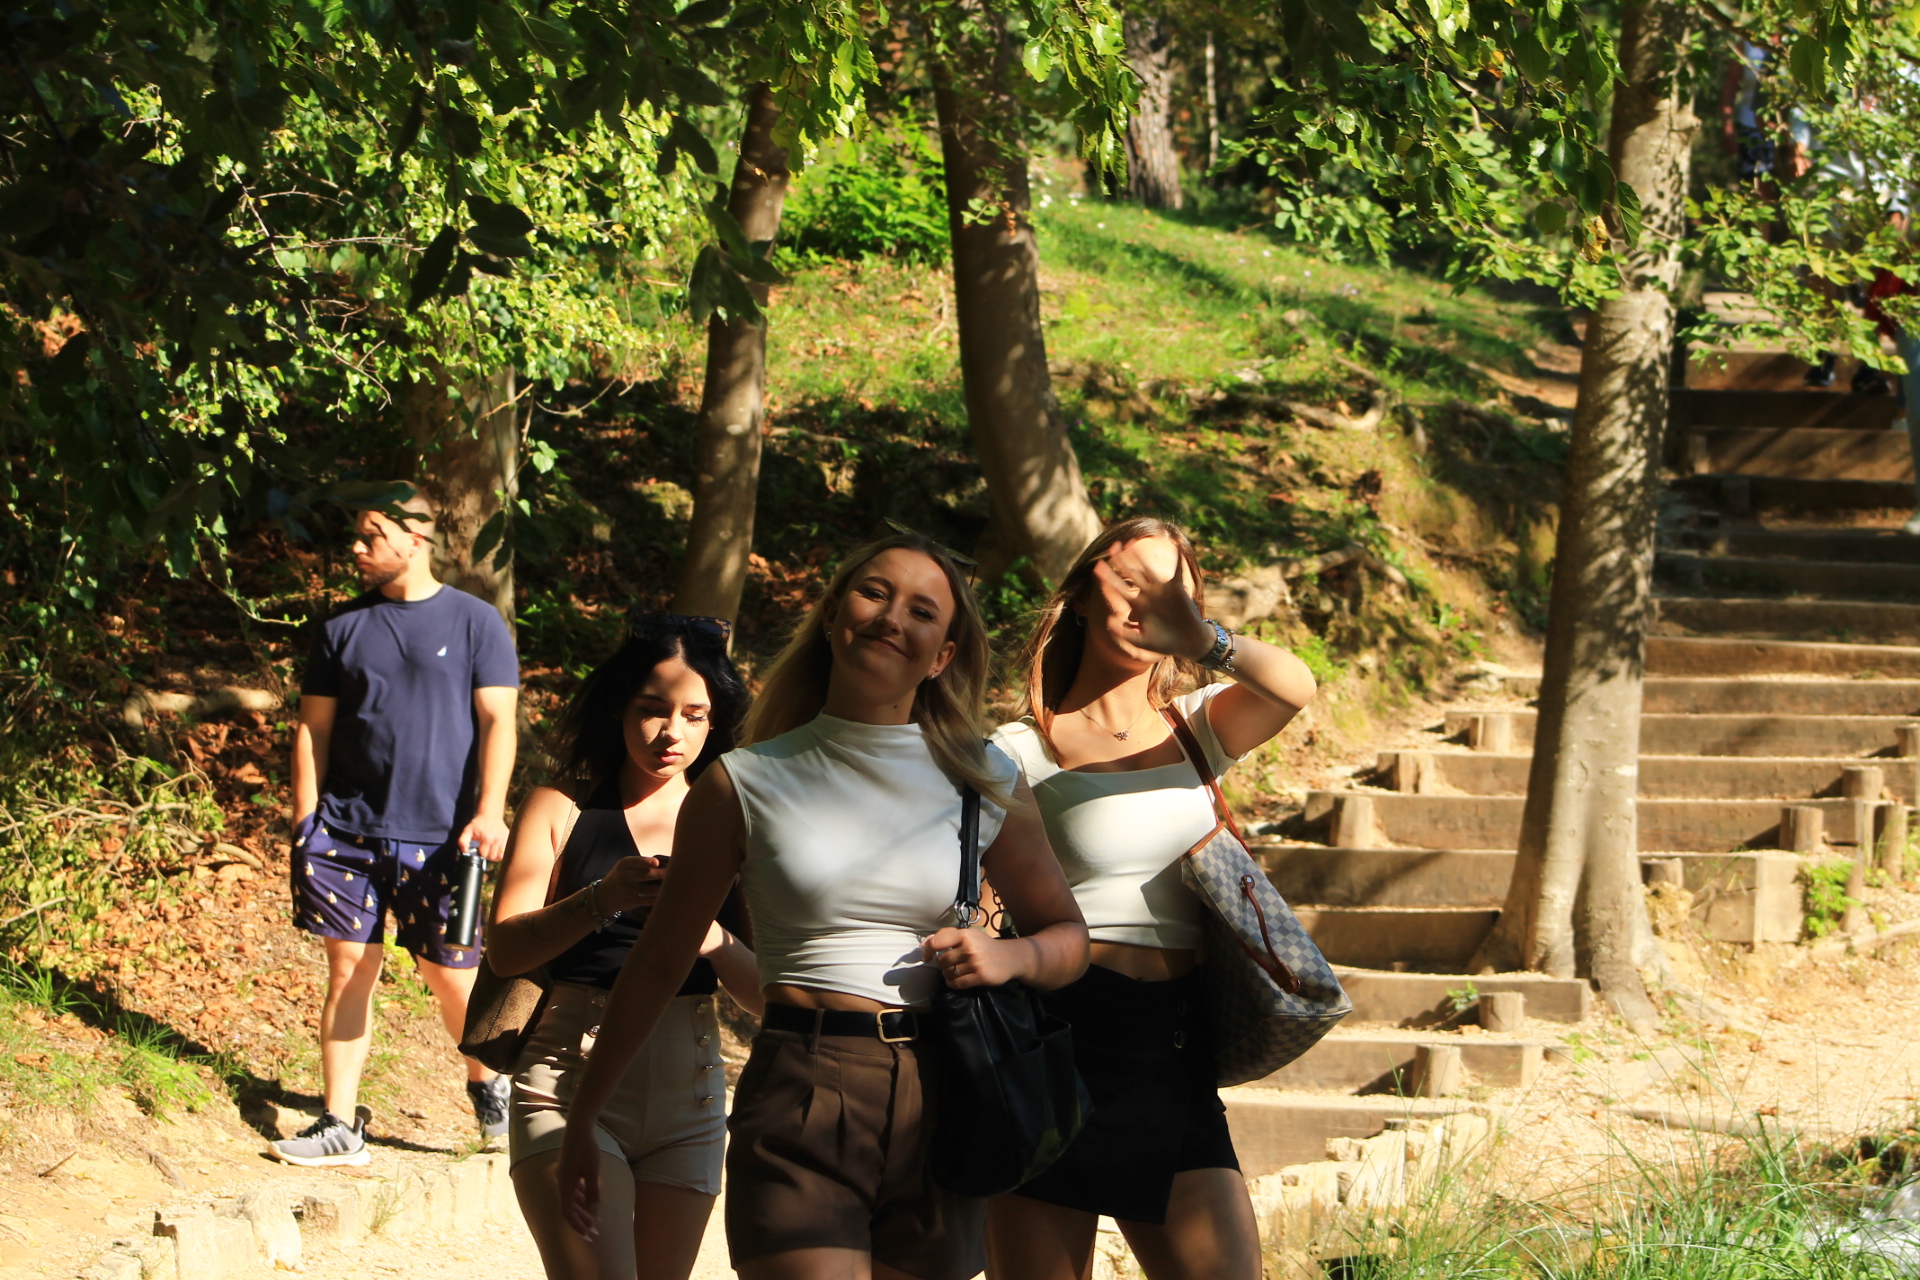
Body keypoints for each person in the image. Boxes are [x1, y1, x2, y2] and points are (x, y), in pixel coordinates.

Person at [555, 531, 1090, 1280]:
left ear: (942, 655)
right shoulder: (743, 781)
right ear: (835, 613)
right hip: (802, 1081)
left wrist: (1013, 957)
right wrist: (584, 1117)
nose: (892, 617)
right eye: (875, 593)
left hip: (946, 1087)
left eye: (922, 611)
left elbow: (1069, 937)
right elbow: (658, 960)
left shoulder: (984, 776)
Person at [985, 518, 1317, 1280]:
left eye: (1175, 591)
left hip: (1170, 1044)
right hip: (1056, 1040)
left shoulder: (1198, 727)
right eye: (1133, 582)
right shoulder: (1016, 750)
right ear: (1079, 597)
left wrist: (1204, 640)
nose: (1152, 605)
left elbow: (1295, 686)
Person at [487, 612, 762, 1280]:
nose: (672, 733)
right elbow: (505, 950)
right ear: (618, 708)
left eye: (695, 716)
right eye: (652, 710)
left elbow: (766, 995)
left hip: (691, 1097)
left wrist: (711, 938)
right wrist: (602, 898)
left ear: (717, 722)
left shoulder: (739, 819)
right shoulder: (562, 806)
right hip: (565, 1079)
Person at [273, 485, 520, 1167]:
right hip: (344, 835)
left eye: (372, 535)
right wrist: (305, 821)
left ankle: (489, 1083)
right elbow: (312, 730)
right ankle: (339, 1123)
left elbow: (499, 722)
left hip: (443, 839)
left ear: (416, 539)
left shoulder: (475, 623)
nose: (357, 547)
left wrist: (490, 810)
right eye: (358, 535)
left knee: (450, 976)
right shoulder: (340, 628)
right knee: (349, 967)